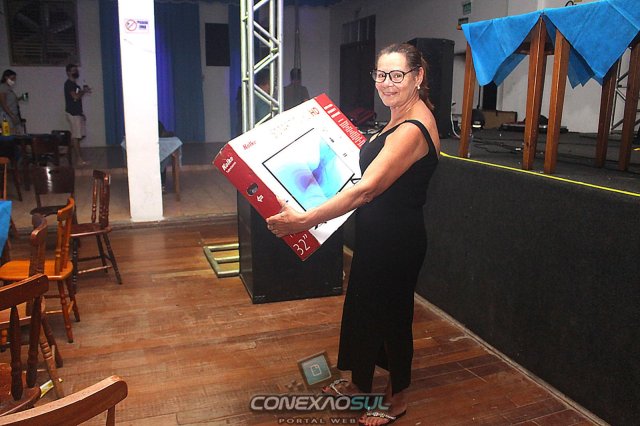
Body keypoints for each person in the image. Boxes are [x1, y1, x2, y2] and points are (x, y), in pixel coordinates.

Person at [266, 43, 440, 425]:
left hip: (397, 242)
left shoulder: (413, 128)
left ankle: (397, 398)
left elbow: (366, 190)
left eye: (397, 75)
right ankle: (359, 385)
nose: (387, 83)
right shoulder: (396, 118)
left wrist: (304, 221)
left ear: (418, 77)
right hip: (377, 238)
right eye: (381, 74)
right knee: (364, 310)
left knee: (392, 317)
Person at [64, 63, 91, 166]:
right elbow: (75, 97)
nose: (76, 72)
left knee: (80, 135)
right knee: (76, 136)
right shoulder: (69, 84)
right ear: (68, 72)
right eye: (73, 70)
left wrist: (81, 113)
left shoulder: (75, 85)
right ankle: (79, 159)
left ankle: (67, 150)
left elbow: (77, 99)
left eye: (76, 70)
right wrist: (83, 91)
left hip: (77, 113)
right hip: (72, 113)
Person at [0, 69, 23, 135]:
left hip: (13, 115)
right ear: (6, 77)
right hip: (6, 115)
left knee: (17, 133)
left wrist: (21, 98)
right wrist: (12, 116)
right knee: (9, 134)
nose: (14, 80)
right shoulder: (3, 87)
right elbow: (3, 104)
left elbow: (12, 101)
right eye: (12, 78)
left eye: (14, 79)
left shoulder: (9, 88)